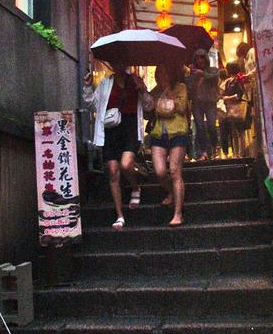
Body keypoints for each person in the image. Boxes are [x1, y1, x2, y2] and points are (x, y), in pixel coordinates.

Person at [83, 61, 153, 228]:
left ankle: (135, 187)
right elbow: (92, 104)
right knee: (113, 171)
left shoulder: (135, 81)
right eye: (115, 61)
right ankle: (119, 215)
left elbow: (149, 106)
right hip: (111, 130)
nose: (118, 65)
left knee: (126, 164)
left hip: (129, 128)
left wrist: (143, 90)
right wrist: (87, 87)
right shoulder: (106, 83)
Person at [146, 62, 188, 225]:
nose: (162, 77)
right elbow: (148, 108)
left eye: (165, 73)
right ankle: (171, 192)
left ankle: (178, 214)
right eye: (159, 74)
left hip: (177, 131)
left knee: (175, 171)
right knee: (160, 171)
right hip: (158, 133)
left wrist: (168, 91)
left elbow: (182, 108)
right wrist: (143, 91)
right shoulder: (156, 90)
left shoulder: (181, 87)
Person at [187, 48, 219, 161]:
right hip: (197, 103)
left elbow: (215, 78)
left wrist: (203, 74)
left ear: (206, 58)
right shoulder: (192, 73)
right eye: (197, 58)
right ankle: (204, 152)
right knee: (200, 127)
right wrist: (191, 75)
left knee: (211, 126)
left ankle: (215, 148)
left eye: (202, 57)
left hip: (210, 102)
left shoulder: (213, 70)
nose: (200, 60)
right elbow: (189, 88)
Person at [222, 60, 248, 158]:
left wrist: (227, 98)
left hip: (237, 107)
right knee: (234, 132)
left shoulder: (237, 80)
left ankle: (241, 153)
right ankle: (237, 153)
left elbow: (238, 95)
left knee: (239, 131)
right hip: (231, 108)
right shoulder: (230, 81)